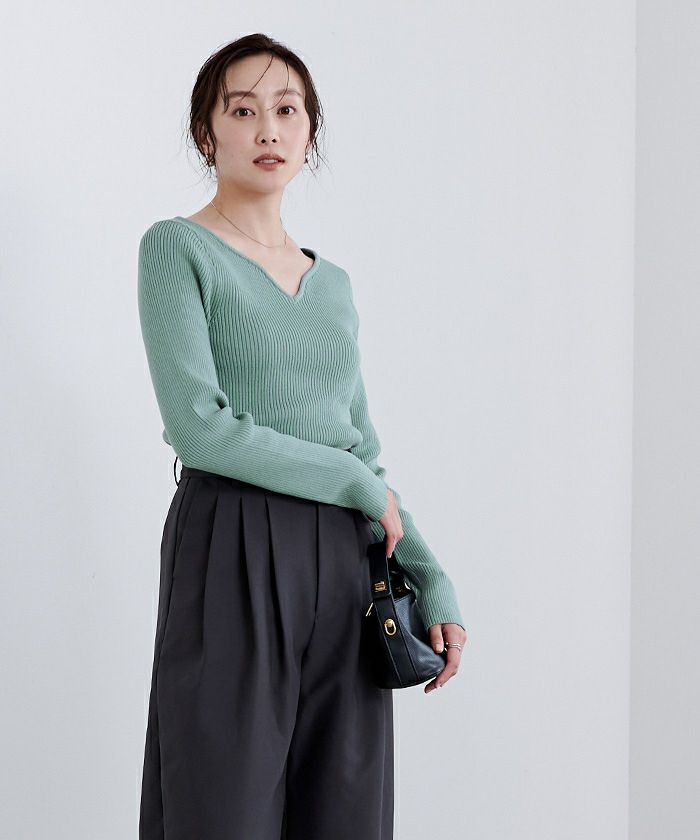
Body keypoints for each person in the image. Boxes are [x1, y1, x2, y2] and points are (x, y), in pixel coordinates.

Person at [137, 32, 467, 840]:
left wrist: (430, 577)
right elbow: (200, 428)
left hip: (350, 566)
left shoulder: (334, 285)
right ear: (206, 133)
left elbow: (360, 449)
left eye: (287, 111)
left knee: (345, 815)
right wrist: (355, 486)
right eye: (242, 111)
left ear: (310, 131)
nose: (268, 130)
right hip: (232, 544)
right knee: (220, 808)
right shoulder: (177, 249)